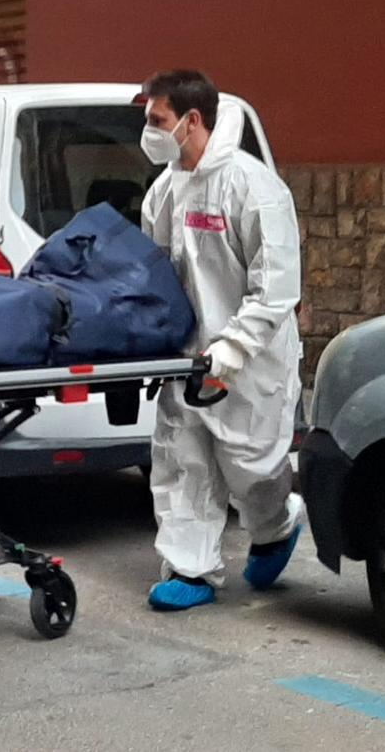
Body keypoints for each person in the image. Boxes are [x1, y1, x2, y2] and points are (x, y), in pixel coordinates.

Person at [139, 70, 304, 611]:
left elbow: (276, 288)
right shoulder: (164, 190)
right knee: (181, 460)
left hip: (251, 362)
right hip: (187, 356)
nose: (149, 130)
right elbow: (155, 274)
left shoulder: (253, 187)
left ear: (192, 120)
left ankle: (276, 526)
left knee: (251, 469)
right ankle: (191, 568)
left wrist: (230, 351)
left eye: (157, 120)